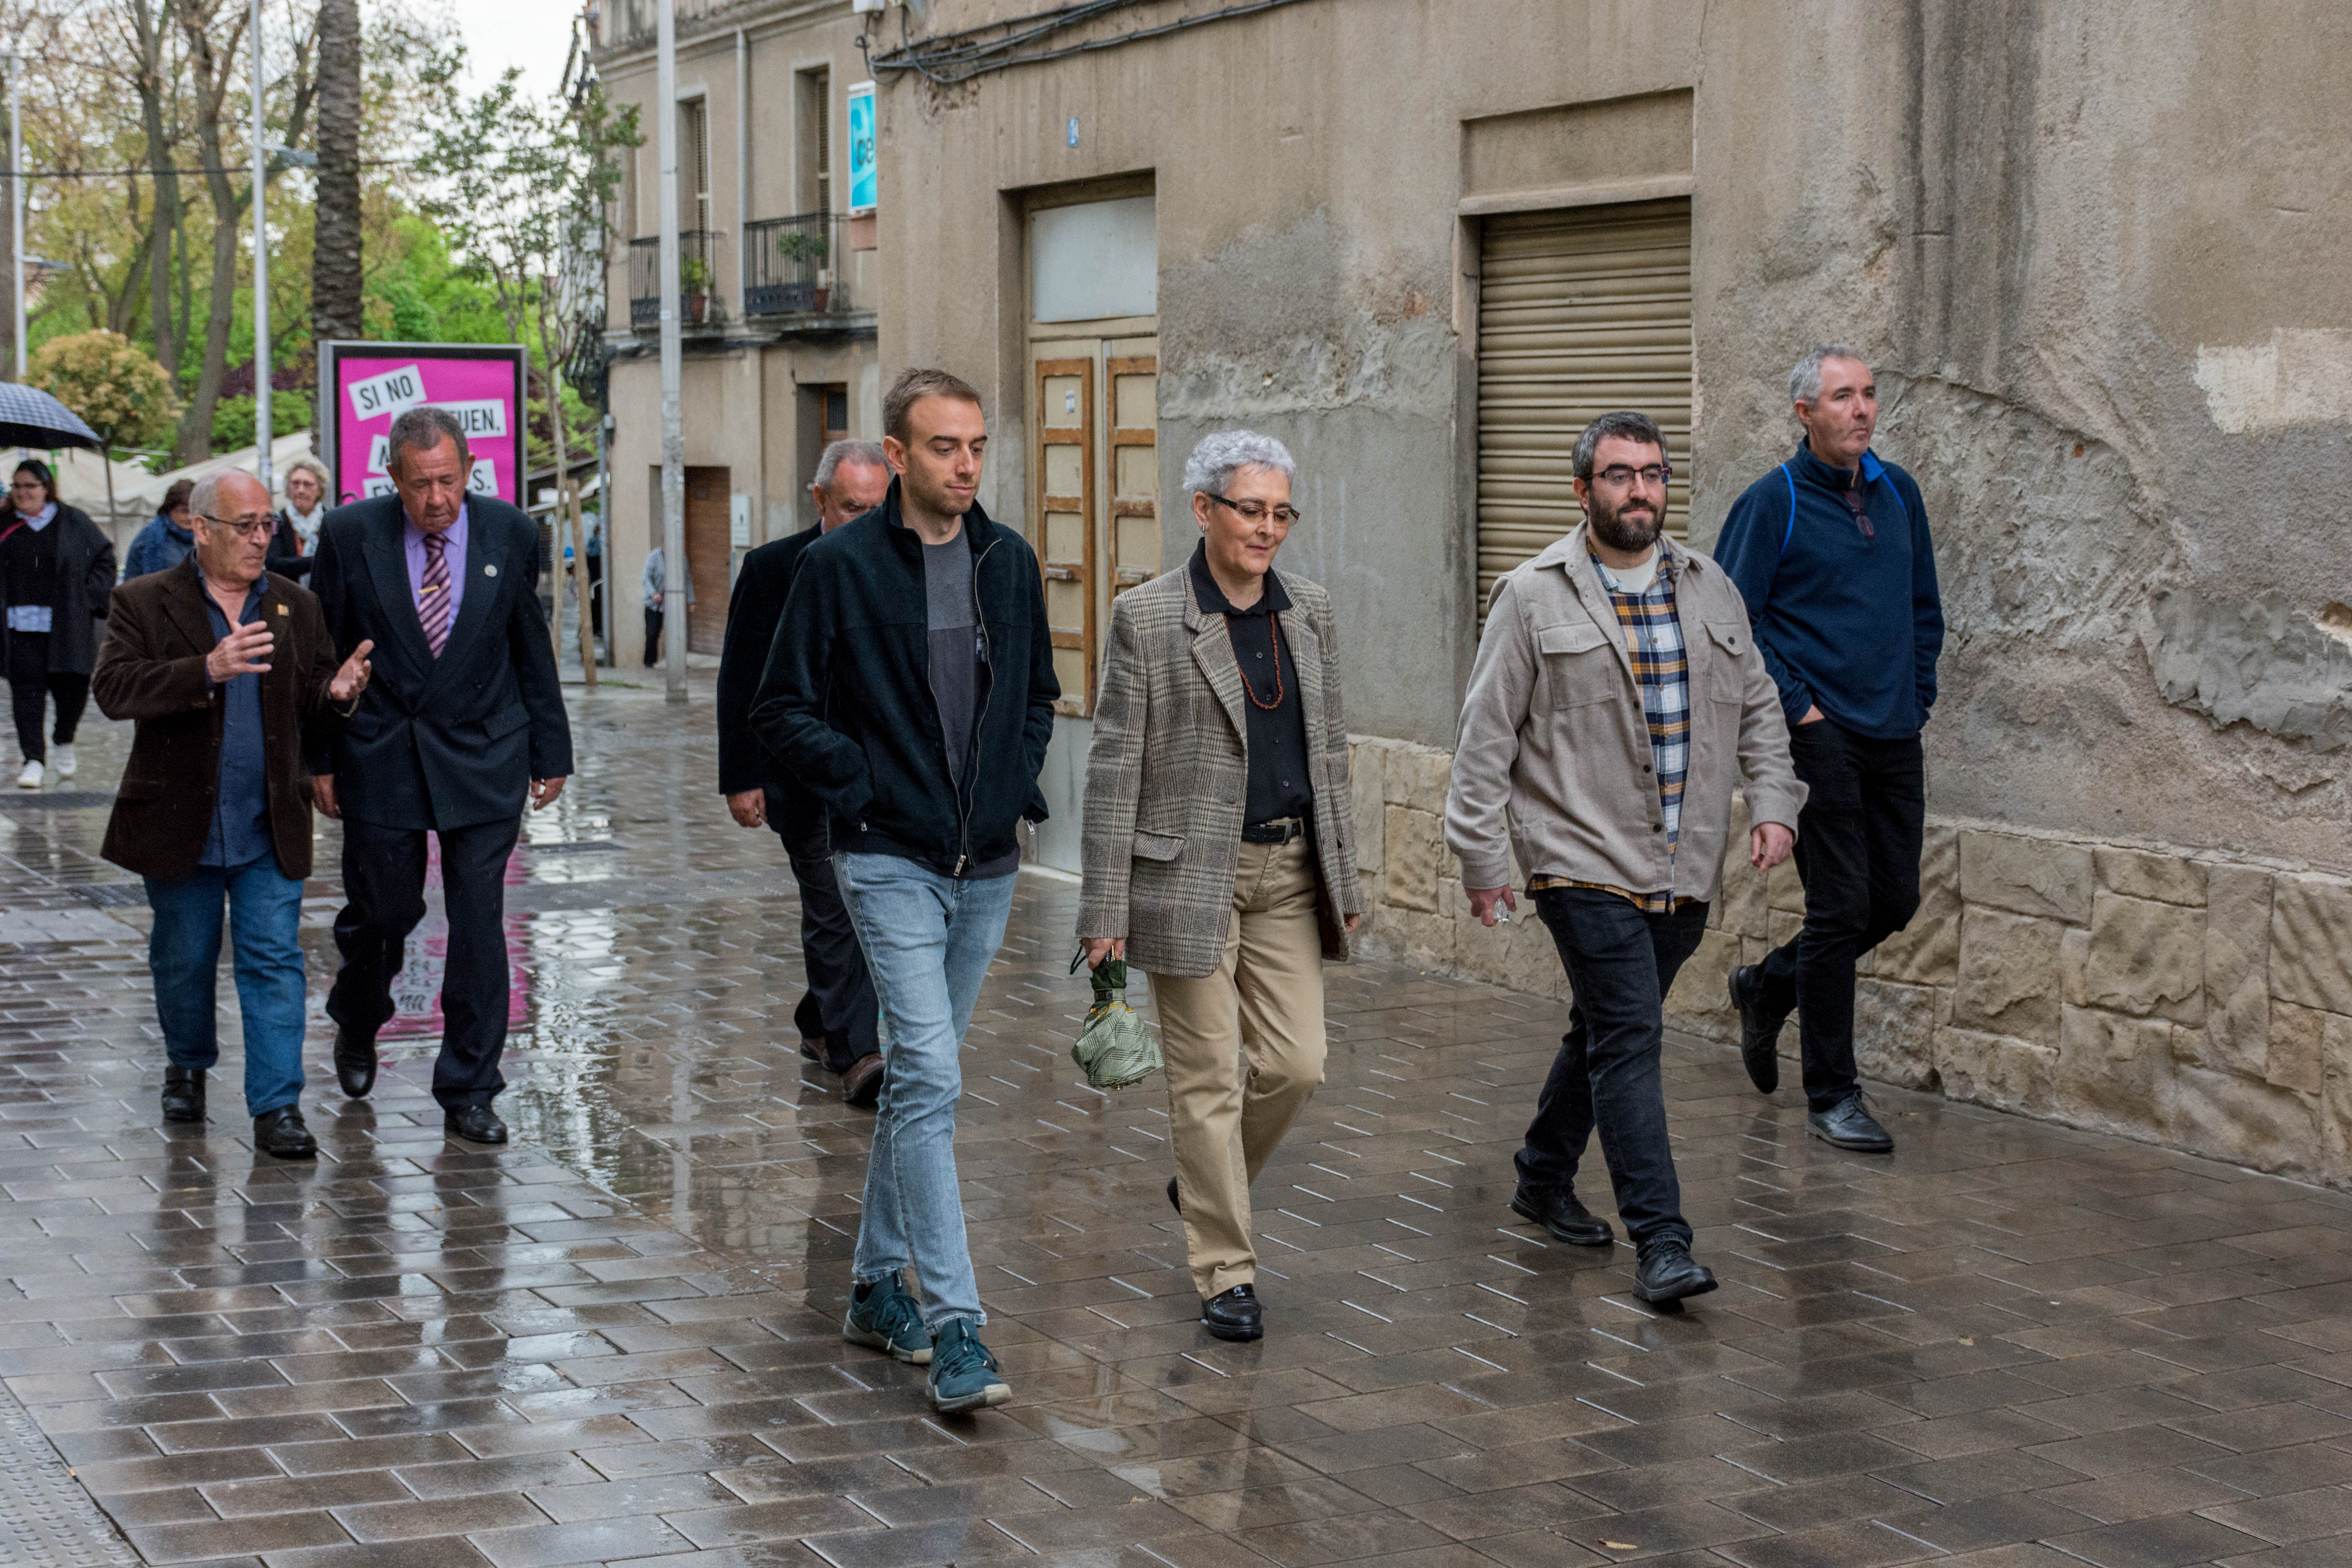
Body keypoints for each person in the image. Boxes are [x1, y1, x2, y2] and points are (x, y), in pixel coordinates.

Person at [1445, 410, 1806, 1310]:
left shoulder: (1711, 586)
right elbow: (1485, 740)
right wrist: (1483, 858)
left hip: (1683, 863)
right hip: (1578, 855)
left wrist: (1773, 802)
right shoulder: (1531, 596)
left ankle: (1541, 1173)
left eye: (1651, 473)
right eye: (1618, 474)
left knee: (1609, 1026)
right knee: (1633, 1037)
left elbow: (1757, 704)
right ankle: (1663, 1240)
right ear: (1583, 490)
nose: (1639, 489)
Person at [751, 367, 1057, 1414]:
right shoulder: (837, 569)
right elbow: (779, 708)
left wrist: (1013, 786)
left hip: (989, 867)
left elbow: (1039, 698)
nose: (965, 464)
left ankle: (876, 1284)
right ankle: (957, 1323)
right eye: (943, 446)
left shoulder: (1007, 564)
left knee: (925, 1080)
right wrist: (863, 784)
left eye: (976, 445)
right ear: (895, 455)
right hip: (885, 858)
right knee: (929, 1071)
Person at [1077, 430, 1365, 1345]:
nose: (1268, 528)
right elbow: (1115, 769)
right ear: (1204, 510)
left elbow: (1330, 752)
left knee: (1296, 1064)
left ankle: (1207, 1180)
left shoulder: (1309, 610)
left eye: (1283, 512)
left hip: (1287, 871)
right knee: (1206, 1080)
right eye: (1252, 509)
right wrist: (1104, 914)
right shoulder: (1150, 617)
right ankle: (1225, 1269)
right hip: (1186, 876)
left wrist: (1342, 871)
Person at [309, 405, 574, 1147]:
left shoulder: (512, 533)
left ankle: (469, 1087)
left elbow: (530, 647)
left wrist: (552, 752)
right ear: (392, 477)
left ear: (469, 472)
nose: (436, 500)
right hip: (382, 751)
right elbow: (323, 654)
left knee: (480, 924)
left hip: (484, 750)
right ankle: (359, 1014)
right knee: (385, 913)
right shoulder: (350, 534)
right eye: (420, 484)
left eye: (449, 482)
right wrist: (321, 756)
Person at [91, 470, 376, 1156]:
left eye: (266, 525)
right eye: (244, 525)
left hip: (267, 821)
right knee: (183, 960)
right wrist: (205, 670)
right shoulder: (143, 601)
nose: (258, 539)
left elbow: (313, 696)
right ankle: (187, 1062)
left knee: (274, 960)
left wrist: (337, 693)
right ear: (200, 528)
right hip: (178, 822)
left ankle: (277, 1107)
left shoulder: (295, 607)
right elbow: (112, 690)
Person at [1714, 345, 1944, 1154]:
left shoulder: (1900, 493)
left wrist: (1918, 694)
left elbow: (1924, 606)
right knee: (1841, 906)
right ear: (1805, 412)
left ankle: (1766, 984)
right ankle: (1833, 1094)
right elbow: (1732, 619)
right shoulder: (1770, 501)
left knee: (1895, 901)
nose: (1862, 410)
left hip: (1894, 728)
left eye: (1870, 395)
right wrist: (1799, 707)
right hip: (1817, 734)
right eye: (1843, 396)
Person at [716, 439, 891, 1107]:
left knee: (879, 905)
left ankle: (821, 1019)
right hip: (804, 776)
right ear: (820, 500)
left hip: (885, 774)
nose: (869, 520)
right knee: (833, 904)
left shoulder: (904, 561)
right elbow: (740, 681)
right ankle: (858, 1054)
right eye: (853, 508)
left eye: (879, 506)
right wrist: (741, 776)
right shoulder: (770, 570)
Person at [0, 459, 116, 788]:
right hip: (21, 627)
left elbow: (105, 560)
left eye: (30, 486)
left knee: (74, 690)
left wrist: (90, 598)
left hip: (67, 625)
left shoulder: (73, 522)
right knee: (26, 693)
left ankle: (64, 738)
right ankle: (33, 759)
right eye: (17, 486)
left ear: (46, 488)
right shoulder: (5, 525)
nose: (23, 493)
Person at [266, 456, 330, 582]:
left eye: (308, 485)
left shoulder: (331, 520)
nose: (300, 490)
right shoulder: (276, 521)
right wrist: (318, 561)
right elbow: (273, 563)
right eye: (295, 484)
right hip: (287, 597)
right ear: (288, 488)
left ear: (320, 490)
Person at [123, 480, 198, 579]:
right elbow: (131, 579)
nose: (189, 517)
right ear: (169, 509)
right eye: (183, 510)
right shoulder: (148, 537)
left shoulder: (206, 535)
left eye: (194, 510)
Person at [641, 544, 691, 666]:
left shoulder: (682, 560)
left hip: (673, 605)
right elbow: (646, 578)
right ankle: (649, 663)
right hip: (655, 605)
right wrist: (653, 594)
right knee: (652, 634)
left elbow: (687, 580)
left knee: (676, 634)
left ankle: (678, 663)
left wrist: (691, 600)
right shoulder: (654, 557)